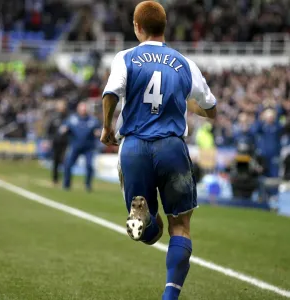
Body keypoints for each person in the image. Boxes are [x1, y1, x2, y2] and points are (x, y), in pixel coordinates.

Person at [100, 1, 217, 299]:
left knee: (152, 234)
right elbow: (211, 107)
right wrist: (190, 106)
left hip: (134, 147)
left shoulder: (125, 57)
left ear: (137, 27)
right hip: (171, 148)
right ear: (164, 27)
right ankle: (169, 296)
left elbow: (111, 93)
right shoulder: (185, 64)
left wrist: (107, 128)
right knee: (180, 225)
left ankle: (148, 220)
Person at [62, 101, 100, 191]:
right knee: (68, 164)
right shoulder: (72, 119)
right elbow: (63, 128)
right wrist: (64, 130)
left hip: (89, 148)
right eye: (81, 108)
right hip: (75, 146)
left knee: (89, 166)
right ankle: (66, 184)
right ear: (78, 109)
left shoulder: (93, 120)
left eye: (85, 108)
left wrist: (98, 133)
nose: (83, 110)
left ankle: (88, 185)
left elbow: (98, 131)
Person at [46, 100, 68, 185]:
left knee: (65, 161)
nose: (62, 107)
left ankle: (66, 180)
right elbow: (49, 130)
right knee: (55, 161)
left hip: (66, 142)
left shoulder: (68, 117)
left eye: (63, 105)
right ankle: (55, 179)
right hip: (56, 142)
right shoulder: (53, 117)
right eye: (60, 105)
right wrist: (48, 140)